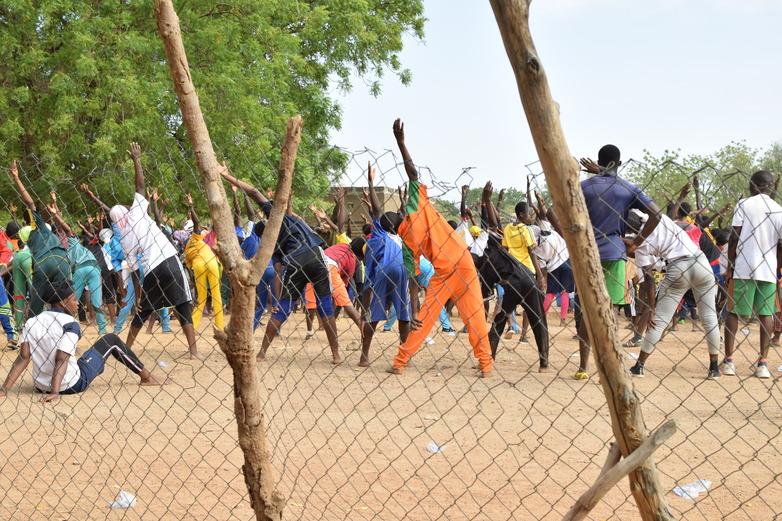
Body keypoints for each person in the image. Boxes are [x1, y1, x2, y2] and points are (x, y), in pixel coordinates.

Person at [387, 119, 493, 377]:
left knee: (424, 317)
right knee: (475, 315)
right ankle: (486, 364)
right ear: (401, 213)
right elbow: (412, 173)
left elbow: (412, 279)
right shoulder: (416, 206)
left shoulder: (406, 243)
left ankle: (400, 362)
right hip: (463, 260)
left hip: (444, 271)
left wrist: (413, 308)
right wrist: (401, 143)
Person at [218, 167, 342, 364]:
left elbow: (277, 271)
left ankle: (262, 353)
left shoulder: (271, 243)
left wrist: (279, 298)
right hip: (314, 254)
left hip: (293, 260)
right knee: (325, 304)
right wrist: (228, 175)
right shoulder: (282, 216)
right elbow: (254, 192)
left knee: (284, 308)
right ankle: (336, 354)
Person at [0, 280, 164, 402]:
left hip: (40, 385)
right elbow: (61, 358)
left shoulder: (31, 321)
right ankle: (147, 377)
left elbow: (23, 357)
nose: (78, 303)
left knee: (83, 357)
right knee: (111, 339)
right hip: (70, 384)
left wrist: (4, 388)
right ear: (63, 302)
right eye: (73, 299)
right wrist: (55, 392)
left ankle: (145, 376)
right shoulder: (70, 324)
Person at [575, 146, 661, 380]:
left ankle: (583, 366)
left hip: (586, 251)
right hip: (614, 251)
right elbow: (657, 214)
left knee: (586, 309)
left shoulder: (584, 187)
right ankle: (610, 365)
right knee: (611, 308)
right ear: (619, 163)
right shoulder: (628, 188)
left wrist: (569, 238)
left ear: (599, 162)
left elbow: (554, 211)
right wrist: (636, 243)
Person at [107, 143, 197, 357]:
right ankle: (193, 351)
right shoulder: (137, 213)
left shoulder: (124, 239)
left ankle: (128, 347)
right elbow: (140, 186)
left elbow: (135, 269)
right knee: (182, 303)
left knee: (144, 310)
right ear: (126, 212)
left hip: (150, 271)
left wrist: (139, 296)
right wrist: (137, 159)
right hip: (168, 259)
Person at [625, 211, 721, 379]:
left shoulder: (639, 245)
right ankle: (714, 368)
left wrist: (652, 308)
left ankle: (639, 366)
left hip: (678, 268)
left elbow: (649, 279)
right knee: (709, 317)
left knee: (660, 320)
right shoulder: (660, 219)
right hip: (701, 262)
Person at [479, 182, 550, 370]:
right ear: (521, 215)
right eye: (528, 214)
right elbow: (532, 252)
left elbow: (496, 224)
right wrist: (540, 276)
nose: (530, 217)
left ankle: (489, 358)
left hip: (512, 278)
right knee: (538, 319)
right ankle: (544, 362)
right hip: (528, 275)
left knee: (501, 318)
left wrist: (488, 200)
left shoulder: (509, 229)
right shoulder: (526, 230)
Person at [723, 170, 782, 379]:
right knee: (766, 314)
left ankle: (729, 361)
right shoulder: (778, 210)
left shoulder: (744, 204)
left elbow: (734, 236)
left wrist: (730, 263)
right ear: (771, 186)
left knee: (732, 312)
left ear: (752, 184)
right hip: (768, 269)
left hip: (743, 266)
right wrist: (777, 268)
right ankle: (762, 364)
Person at [359, 162, 410, 367]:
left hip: (383, 271)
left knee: (374, 314)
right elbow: (401, 215)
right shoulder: (402, 238)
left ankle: (364, 356)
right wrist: (404, 201)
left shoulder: (378, 234)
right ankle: (403, 357)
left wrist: (371, 183)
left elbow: (379, 210)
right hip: (403, 270)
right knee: (403, 315)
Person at [7, 161, 72, 317]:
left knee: (36, 300)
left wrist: (16, 179)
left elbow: (27, 206)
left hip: (43, 263)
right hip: (62, 258)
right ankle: (68, 324)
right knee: (67, 296)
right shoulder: (44, 227)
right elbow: (31, 202)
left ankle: (30, 327)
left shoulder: (24, 235)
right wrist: (17, 178)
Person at [47, 196, 108, 335]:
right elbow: (65, 227)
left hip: (79, 270)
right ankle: (103, 329)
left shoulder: (61, 251)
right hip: (93, 267)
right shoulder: (74, 242)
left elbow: (62, 227)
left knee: (71, 299)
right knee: (97, 300)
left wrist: (55, 211)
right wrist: (56, 212)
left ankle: (66, 324)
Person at [184, 193, 224, 331]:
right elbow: (198, 223)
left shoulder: (193, 241)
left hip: (198, 265)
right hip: (212, 263)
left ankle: (193, 325)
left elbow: (196, 222)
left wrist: (191, 205)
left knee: (201, 297)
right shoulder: (208, 238)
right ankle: (219, 325)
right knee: (216, 295)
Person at [11, 225, 33, 334]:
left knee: (18, 293)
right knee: (35, 289)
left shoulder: (18, 253)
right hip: (29, 257)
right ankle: (36, 321)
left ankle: (19, 326)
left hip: (18, 256)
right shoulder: (35, 248)